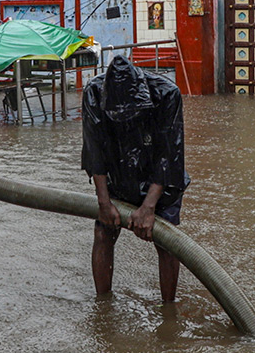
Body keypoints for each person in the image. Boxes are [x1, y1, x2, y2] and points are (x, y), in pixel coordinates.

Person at [81, 56, 189, 303]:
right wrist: (104, 202)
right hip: (118, 172)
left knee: (168, 243)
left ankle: (168, 309)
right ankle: (103, 304)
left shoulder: (166, 94)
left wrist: (149, 207)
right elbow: (94, 151)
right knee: (103, 233)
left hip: (160, 177)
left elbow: (169, 155)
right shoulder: (94, 93)